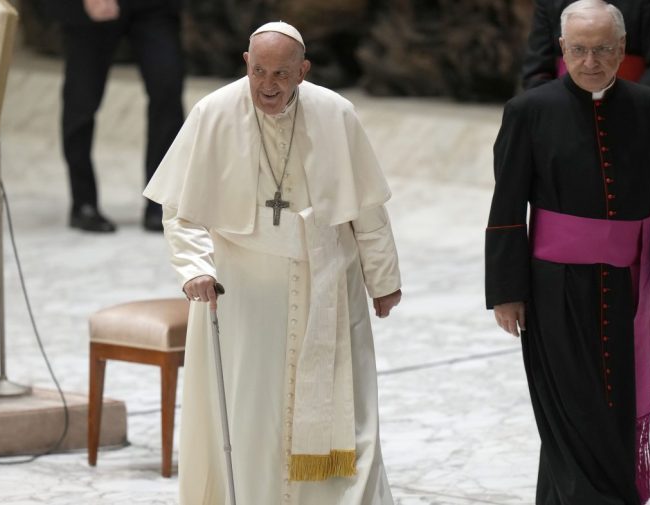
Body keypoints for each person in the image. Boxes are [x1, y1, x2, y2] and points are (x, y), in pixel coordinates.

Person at [144, 21, 402, 504]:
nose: (267, 85)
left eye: (280, 74)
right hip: (240, 294)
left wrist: (383, 279)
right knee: (249, 415)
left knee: (345, 413)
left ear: (302, 71)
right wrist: (196, 268)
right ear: (246, 63)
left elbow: (368, 210)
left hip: (328, 285)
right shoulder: (213, 112)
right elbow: (180, 209)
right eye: (258, 71)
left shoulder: (336, 114)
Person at [485, 1, 650, 503]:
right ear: (561, 49)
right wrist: (506, 292)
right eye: (579, 50)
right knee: (571, 406)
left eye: (603, 50)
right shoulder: (528, 111)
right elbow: (508, 207)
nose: (591, 61)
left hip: (628, 285)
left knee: (616, 403)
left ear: (621, 49)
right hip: (552, 288)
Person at [522, 0, 650, 394]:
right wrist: (566, 114)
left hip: (633, 129)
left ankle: (649, 369)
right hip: (568, 128)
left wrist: (621, 105)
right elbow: (536, 70)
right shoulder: (551, 5)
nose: (591, 57)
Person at [46, 0, 184, 232]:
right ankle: (83, 202)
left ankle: (160, 202)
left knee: (167, 89)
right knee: (81, 100)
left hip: (155, 8)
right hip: (90, 9)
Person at [521, 0, 650, 96]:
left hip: (632, 110)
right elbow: (537, 70)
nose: (590, 63)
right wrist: (558, 108)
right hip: (562, 110)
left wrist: (630, 104)